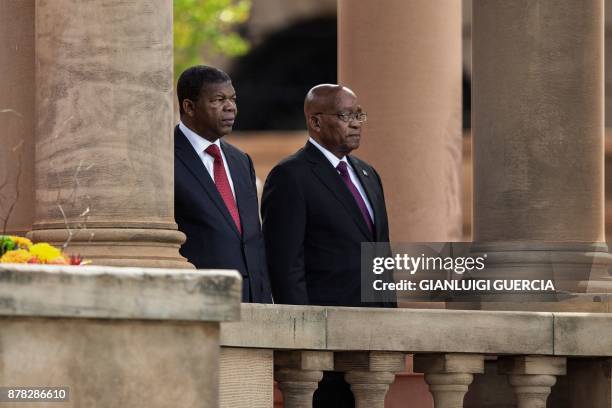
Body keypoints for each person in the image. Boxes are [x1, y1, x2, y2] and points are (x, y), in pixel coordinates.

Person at [261, 84, 395, 408]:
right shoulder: (290, 175)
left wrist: (391, 323)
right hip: (324, 341)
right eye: (345, 115)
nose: (356, 123)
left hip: (371, 340)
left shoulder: (368, 174)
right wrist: (304, 338)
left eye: (358, 114)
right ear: (316, 122)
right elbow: (284, 265)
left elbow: (381, 253)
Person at [174, 65, 271, 303]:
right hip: (199, 299)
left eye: (233, 99)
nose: (231, 107)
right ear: (189, 107)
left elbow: (252, 238)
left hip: (252, 302)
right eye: (219, 99)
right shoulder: (164, 158)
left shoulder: (241, 161)